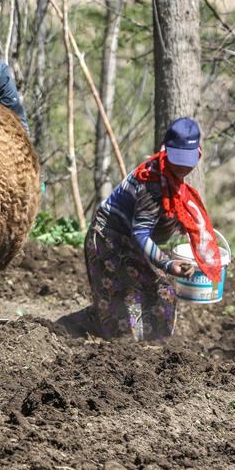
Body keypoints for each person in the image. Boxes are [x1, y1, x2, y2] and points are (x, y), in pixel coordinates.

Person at [84, 117, 222, 341]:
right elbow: (140, 233)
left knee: (161, 295)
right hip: (108, 241)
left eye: (188, 161)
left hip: (129, 242)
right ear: (165, 151)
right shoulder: (152, 184)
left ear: (198, 154)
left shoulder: (170, 178)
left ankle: (155, 349)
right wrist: (167, 263)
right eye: (178, 160)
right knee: (127, 313)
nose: (183, 167)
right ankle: (77, 327)